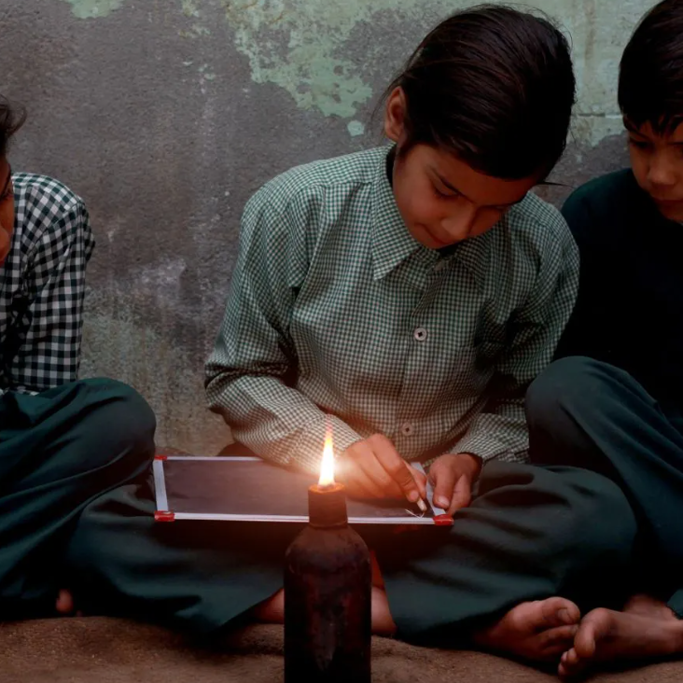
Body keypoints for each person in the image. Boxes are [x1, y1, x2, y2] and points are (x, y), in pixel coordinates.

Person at [67, 5, 636, 665]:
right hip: (301, 493)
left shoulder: (544, 247)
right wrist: (326, 445)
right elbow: (238, 375)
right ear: (398, 118)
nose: (460, 226)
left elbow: (517, 399)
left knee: (599, 519)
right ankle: (429, 613)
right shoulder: (295, 211)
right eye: (444, 190)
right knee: (105, 532)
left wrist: (470, 458)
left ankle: (375, 598)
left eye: (495, 208)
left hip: (449, 514)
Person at [526, 0, 683, 676]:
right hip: (646, 486)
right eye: (639, 143)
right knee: (562, 390)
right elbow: (581, 427)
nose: (659, 176)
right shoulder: (597, 215)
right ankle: (649, 596)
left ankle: (665, 616)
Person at [0, 97, 156, 621]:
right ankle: (25, 583)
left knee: (117, 417)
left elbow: (40, 404)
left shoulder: (45, 217)